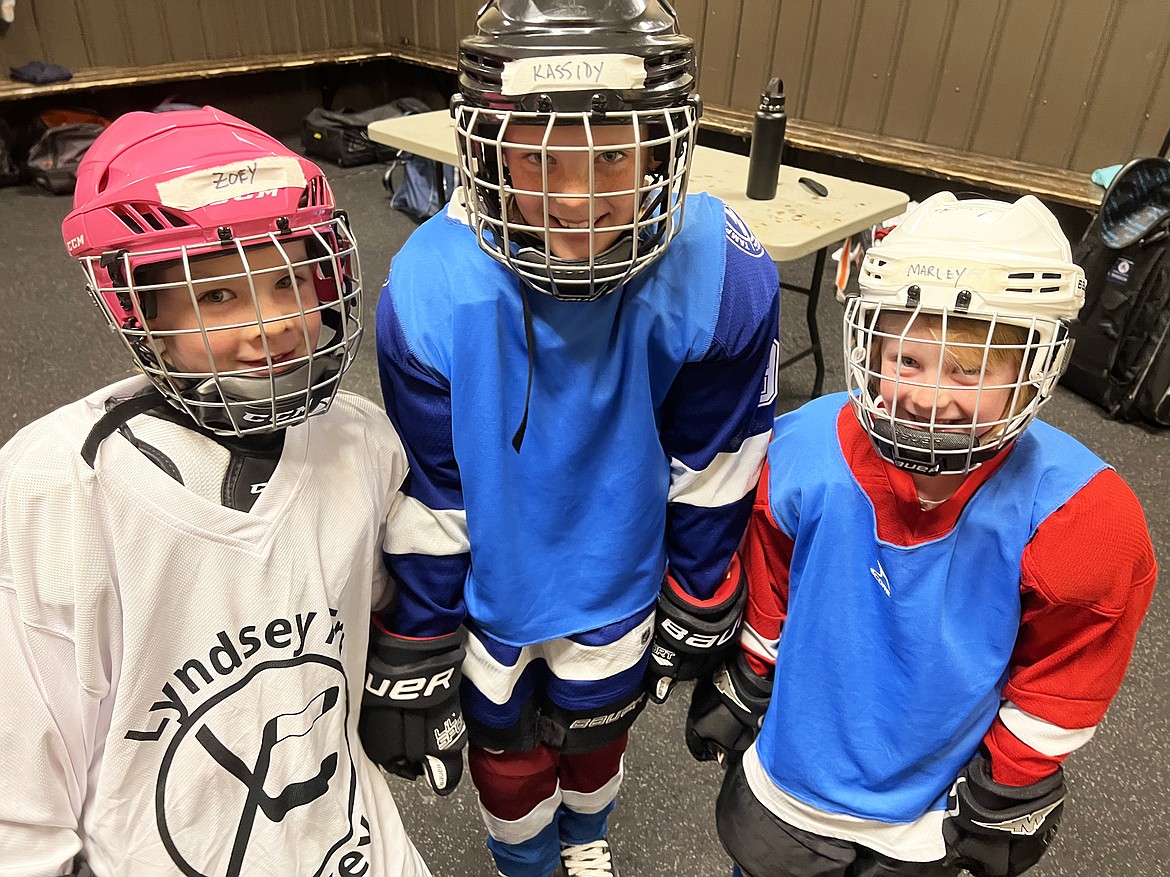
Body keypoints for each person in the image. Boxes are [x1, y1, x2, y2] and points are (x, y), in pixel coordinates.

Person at [363, 2, 782, 875]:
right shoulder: (434, 290)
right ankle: (528, 864)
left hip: (617, 572)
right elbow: (434, 488)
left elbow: (714, 458)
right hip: (497, 586)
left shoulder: (721, 270)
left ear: (666, 148)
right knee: (507, 750)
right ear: (484, 151)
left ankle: (586, 839)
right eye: (537, 155)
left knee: (597, 734)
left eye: (614, 154)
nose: (577, 196)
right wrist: (422, 632)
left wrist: (701, 587)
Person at [0, 107, 433, 877]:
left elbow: (382, 599)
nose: (273, 323)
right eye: (219, 295)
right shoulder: (57, 490)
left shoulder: (360, 439)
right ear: (141, 310)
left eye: (288, 278)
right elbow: (23, 782)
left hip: (356, 844)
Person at [685, 192, 1158, 877]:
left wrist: (1015, 773)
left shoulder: (1083, 516)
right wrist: (749, 670)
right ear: (866, 343)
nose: (927, 395)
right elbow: (772, 575)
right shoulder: (807, 449)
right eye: (904, 358)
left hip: (926, 810)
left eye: (968, 368)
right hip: (792, 778)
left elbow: (1070, 663)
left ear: (1034, 366)